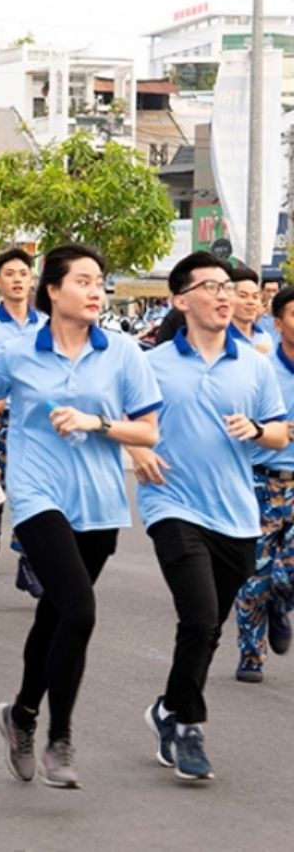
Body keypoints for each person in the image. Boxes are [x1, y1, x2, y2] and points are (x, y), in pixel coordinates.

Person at [0, 243, 161, 789]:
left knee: (55, 615)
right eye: (83, 281)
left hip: (99, 503)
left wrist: (98, 423)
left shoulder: (123, 353)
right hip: (37, 495)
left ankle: (21, 714)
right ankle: (59, 739)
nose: (96, 291)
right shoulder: (19, 353)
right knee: (79, 610)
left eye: (100, 282)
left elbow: (147, 431)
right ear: (53, 289)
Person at [130, 252, 287, 782]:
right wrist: (138, 451)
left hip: (236, 516)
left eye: (228, 287)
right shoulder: (151, 365)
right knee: (198, 618)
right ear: (181, 299)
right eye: (211, 287)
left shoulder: (256, 365)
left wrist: (256, 430)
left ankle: (167, 708)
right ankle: (189, 727)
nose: (225, 296)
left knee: (208, 627)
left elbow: (279, 433)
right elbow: (122, 421)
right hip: (171, 504)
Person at [0, 248, 47, 601]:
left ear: (32, 281)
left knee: (32, 493)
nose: (17, 280)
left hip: (34, 423)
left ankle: (27, 562)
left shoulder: (46, 325)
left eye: (23, 274)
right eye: (10, 274)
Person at [235, 284, 294, 683]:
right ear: (277, 323)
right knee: (255, 575)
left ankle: (281, 599)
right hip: (261, 482)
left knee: (284, 575)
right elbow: (240, 422)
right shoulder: (260, 370)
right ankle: (251, 654)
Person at [227, 266, 272, 354]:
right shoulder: (220, 338)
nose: (251, 302)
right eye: (243, 296)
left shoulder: (264, 336)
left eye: (255, 297)